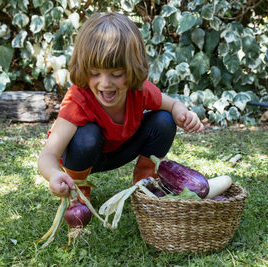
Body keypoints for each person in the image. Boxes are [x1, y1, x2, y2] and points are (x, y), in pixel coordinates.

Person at [37, 12, 204, 201]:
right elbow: (48, 155)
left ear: (133, 69)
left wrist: (182, 113)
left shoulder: (139, 90)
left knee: (164, 120)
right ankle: (77, 190)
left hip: (120, 151)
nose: (105, 83)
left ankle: (144, 179)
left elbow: (173, 104)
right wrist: (54, 174)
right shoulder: (78, 100)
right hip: (84, 156)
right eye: (94, 73)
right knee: (87, 136)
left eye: (116, 74)